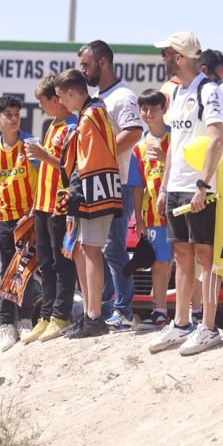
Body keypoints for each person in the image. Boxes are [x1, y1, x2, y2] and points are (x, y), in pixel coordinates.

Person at [148, 31, 223, 356]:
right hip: (177, 186)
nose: (163, 58)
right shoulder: (177, 93)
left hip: (200, 188)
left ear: (180, 56)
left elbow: (217, 139)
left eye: (167, 53)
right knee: (181, 256)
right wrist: (165, 185)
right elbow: (174, 146)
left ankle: (208, 326)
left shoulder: (208, 91)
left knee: (205, 258)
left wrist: (203, 184)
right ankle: (181, 324)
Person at [77, 40, 143, 329]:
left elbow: (134, 132)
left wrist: (102, 156)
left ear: (103, 62)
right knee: (96, 247)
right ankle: (102, 307)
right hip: (97, 182)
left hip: (119, 182)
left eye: (86, 64)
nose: (83, 70)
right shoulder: (95, 98)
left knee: (114, 247)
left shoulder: (123, 96)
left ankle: (124, 311)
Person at [55, 69, 122, 339]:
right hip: (89, 189)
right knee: (82, 250)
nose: (62, 103)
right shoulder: (89, 114)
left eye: (62, 97)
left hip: (96, 190)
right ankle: (88, 314)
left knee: (92, 251)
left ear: (72, 93)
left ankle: (95, 315)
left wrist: (77, 190)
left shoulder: (92, 115)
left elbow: (92, 160)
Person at [0, 95, 40, 351]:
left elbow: (41, 180)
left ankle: (26, 319)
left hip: (27, 218)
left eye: (17, 114)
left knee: (25, 270)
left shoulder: (31, 144)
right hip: (4, 218)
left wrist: (35, 212)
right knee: (7, 270)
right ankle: (6, 324)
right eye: (9, 116)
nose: (15, 119)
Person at [22, 75, 78, 343]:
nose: (41, 107)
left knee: (61, 262)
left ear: (56, 100)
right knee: (45, 262)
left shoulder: (72, 127)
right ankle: (45, 315)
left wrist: (46, 157)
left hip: (60, 205)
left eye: (43, 101)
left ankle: (61, 314)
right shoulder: (53, 125)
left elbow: (72, 166)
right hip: (43, 204)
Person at [132, 89, 174, 331]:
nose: (148, 114)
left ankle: (194, 313)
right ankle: (159, 312)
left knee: (183, 261)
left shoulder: (177, 137)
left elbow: (188, 168)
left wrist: (166, 156)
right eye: (145, 110)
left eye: (154, 109)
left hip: (180, 209)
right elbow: (137, 186)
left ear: (164, 110)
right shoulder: (139, 147)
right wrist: (138, 217)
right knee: (159, 262)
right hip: (153, 213)